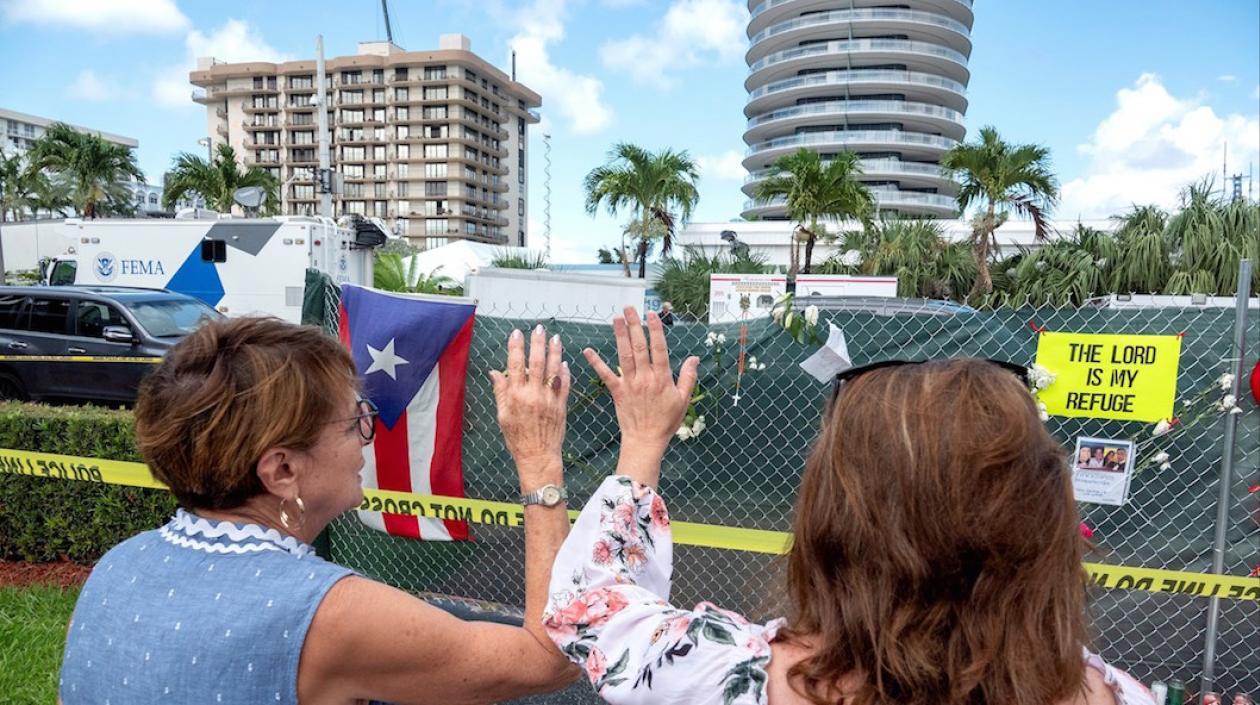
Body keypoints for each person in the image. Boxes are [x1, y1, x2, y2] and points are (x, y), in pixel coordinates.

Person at [542, 307, 1155, 705]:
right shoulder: (1118, 695)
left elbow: (589, 605)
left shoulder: (724, 677)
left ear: (831, 519)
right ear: (1044, 518)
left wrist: (643, 439)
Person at [59, 317, 578, 704]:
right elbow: (550, 657)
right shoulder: (329, 612)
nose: (366, 440)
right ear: (282, 470)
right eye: (354, 422)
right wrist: (539, 460)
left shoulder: (119, 565)